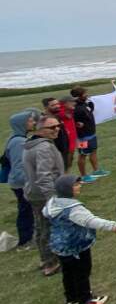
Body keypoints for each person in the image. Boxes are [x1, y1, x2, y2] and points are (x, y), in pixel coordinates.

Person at [43, 175, 116, 304]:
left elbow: (45, 213)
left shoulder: (52, 204)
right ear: (66, 190)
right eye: (75, 185)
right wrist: (113, 226)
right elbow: (90, 221)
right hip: (76, 245)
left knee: (68, 272)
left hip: (60, 246)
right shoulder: (73, 209)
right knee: (82, 271)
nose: (79, 186)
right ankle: (85, 300)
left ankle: (71, 299)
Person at [23, 115, 64, 276]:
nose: (57, 129)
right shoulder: (43, 148)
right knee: (47, 228)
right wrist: (52, 198)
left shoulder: (30, 144)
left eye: (58, 126)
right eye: (52, 128)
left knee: (40, 227)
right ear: (40, 130)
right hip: (43, 194)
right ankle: (50, 263)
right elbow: (44, 175)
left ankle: (45, 258)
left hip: (34, 192)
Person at [5, 109, 37, 249]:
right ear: (21, 124)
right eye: (30, 121)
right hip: (22, 183)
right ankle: (25, 240)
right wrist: (29, 183)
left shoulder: (18, 138)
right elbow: (19, 167)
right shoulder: (19, 142)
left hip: (21, 182)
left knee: (28, 210)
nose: (33, 123)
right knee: (26, 211)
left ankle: (29, 237)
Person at [71, 87, 110, 183]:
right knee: (83, 154)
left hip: (91, 134)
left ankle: (96, 170)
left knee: (93, 151)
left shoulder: (84, 104)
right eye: (85, 94)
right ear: (78, 97)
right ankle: (83, 176)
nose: (87, 95)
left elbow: (88, 113)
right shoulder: (76, 109)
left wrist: (91, 106)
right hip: (82, 137)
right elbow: (75, 122)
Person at [41, 98, 69, 165]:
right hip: (53, 151)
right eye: (53, 105)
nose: (57, 106)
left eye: (57, 104)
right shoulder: (43, 119)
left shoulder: (56, 116)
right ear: (46, 107)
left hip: (63, 148)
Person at [58, 96, 78, 172]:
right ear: (65, 103)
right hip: (66, 142)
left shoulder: (69, 110)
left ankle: (68, 177)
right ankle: (66, 179)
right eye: (72, 101)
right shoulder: (61, 112)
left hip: (72, 141)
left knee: (69, 161)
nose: (74, 103)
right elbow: (65, 116)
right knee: (65, 162)